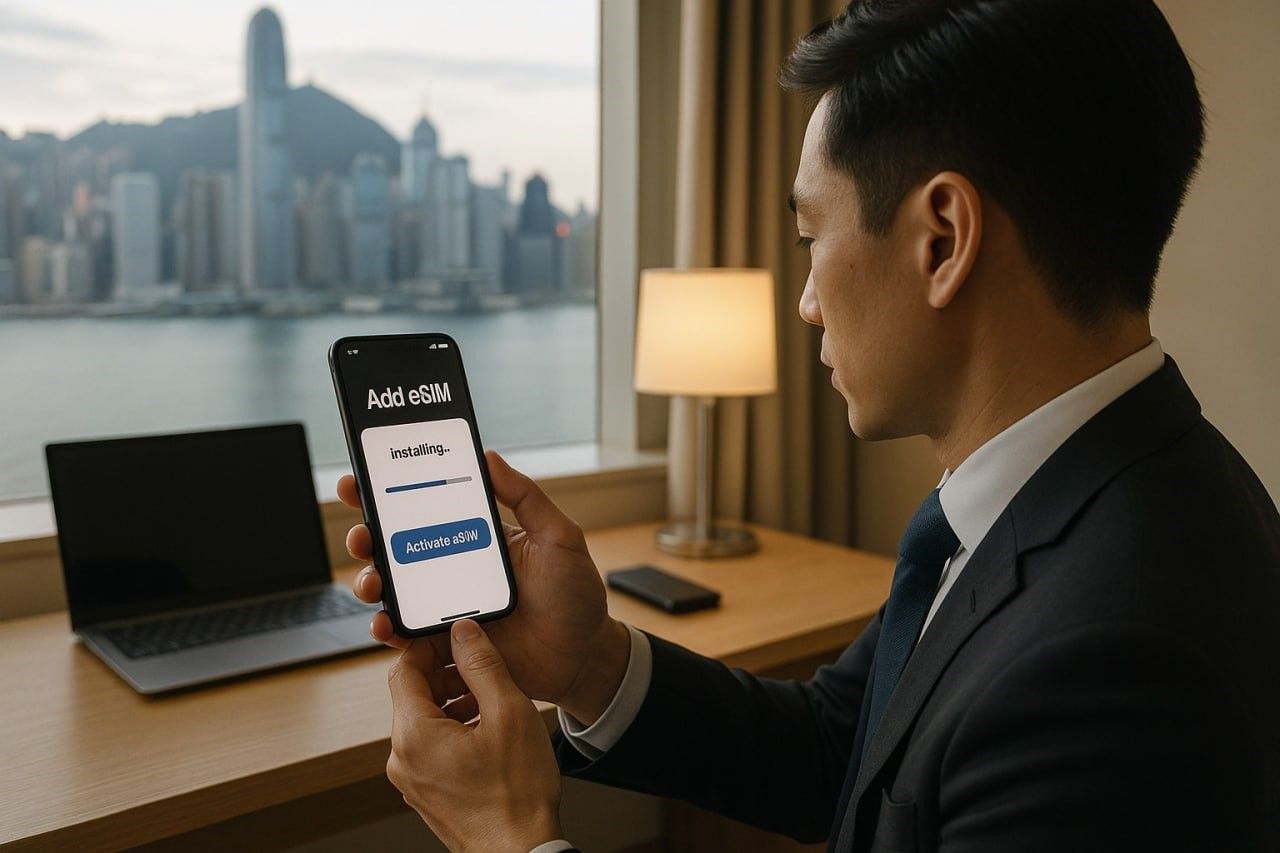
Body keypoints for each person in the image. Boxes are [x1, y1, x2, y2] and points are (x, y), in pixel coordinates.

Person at [338, 1, 1280, 850]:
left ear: (941, 239)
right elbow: (847, 748)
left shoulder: (1114, 663)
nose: (806, 305)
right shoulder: (1083, 491)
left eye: (808, 239)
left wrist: (508, 837)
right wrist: (587, 660)